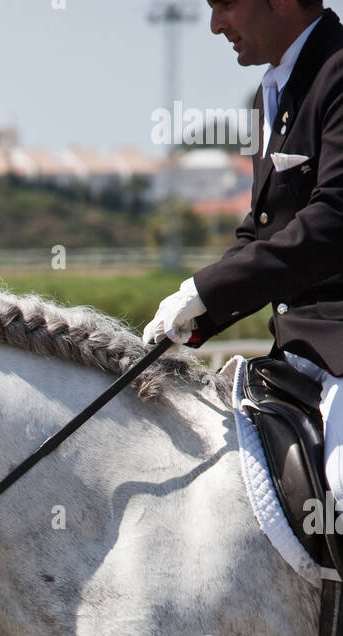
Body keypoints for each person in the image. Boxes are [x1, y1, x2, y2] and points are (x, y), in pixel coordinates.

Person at [143, 1, 343, 503]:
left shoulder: (338, 71)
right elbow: (262, 234)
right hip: (297, 350)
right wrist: (194, 314)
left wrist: (204, 290)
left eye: (226, 5)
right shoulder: (268, 95)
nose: (215, 26)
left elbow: (332, 221)